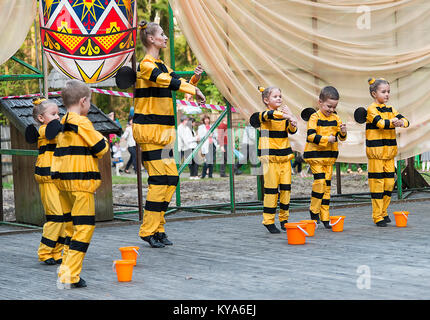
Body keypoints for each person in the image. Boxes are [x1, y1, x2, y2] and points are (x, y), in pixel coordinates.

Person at [133, 20, 205, 248]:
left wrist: (193, 80)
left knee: (171, 179)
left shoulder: (162, 65)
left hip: (163, 132)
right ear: (151, 39)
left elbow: (175, 81)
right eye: (162, 34)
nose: (165, 37)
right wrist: (192, 89)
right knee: (158, 181)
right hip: (150, 131)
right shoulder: (146, 65)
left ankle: (158, 228)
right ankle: (148, 230)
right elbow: (165, 81)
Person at [49, 79, 109, 288]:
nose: (89, 105)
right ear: (83, 101)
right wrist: (104, 139)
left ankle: (66, 269)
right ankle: (68, 275)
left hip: (62, 182)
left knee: (70, 229)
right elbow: (101, 148)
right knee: (84, 229)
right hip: (80, 182)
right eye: (89, 101)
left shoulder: (63, 121)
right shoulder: (81, 122)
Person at [250, 86, 298, 233]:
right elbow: (271, 115)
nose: (279, 98)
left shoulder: (283, 116)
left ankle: (284, 219)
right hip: (270, 158)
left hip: (284, 158)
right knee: (271, 191)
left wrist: (292, 121)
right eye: (275, 96)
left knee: (286, 189)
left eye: (280, 96)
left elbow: (293, 130)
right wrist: (288, 116)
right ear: (266, 100)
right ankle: (269, 220)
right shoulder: (264, 115)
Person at [365, 77, 409, 227]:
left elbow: (405, 120)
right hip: (376, 155)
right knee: (377, 184)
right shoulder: (371, 109)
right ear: (373, 94)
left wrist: (402, 122)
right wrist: (394, 122)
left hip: (389, 154)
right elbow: (381, 123)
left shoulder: (391, 109)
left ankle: (383, 211)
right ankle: (377, 216)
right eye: (383, 92)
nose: (387, 94)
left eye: (388, 91)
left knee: (389, 184)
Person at [27, 98, 65, 266]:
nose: (57, 117)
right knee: (55, 217)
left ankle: (57, 252)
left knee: (64, 217)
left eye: (58, 113)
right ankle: (45, 251)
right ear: (41, 118)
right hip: (48, 178)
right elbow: (55, 133)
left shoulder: (57, 130)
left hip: (59, 178)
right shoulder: (44, 130)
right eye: (53, 114)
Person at [304, 86, 347, 229]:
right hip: (315, 156)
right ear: (320, 103)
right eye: (329, 106)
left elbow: (341, 138)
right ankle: (314, 211)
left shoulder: (336, 118)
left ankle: (325, 217)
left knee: (327, 187)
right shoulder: (314, 117)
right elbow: (310, 136)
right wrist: (326, 139)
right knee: (320, 182)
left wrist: (343, 132)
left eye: (334, 107)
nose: (331, 110)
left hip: (329, 158)